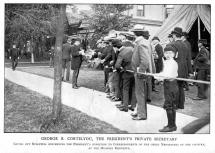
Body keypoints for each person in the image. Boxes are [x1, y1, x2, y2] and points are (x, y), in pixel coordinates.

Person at [154, 45, 179, 132]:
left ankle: (171, 126)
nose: (168, 54)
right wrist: (159, 75)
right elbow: (164, 73)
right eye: (166, 53)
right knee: (171, 105)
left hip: (171, 84)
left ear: (174, 54)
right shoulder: (167, 62)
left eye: (170, 53)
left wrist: (157, 77)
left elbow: (167, 75)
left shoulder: (172, 63)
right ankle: (171, 125)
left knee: (169, 105)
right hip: (168, 84)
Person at [166, 27, 191, 109]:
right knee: (180, 87)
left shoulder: (173, 44)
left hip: (175, 70)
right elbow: (187, 59)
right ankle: (181, 105)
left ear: (174, 35)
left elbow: (170, 58)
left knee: (174, 88)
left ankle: (175, 105)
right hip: (183, 70)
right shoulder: (186, 44)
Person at [130, 24, 151, 120]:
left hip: (140, 72)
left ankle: (141, 114)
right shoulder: (141, 42)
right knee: (139, 93)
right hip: (139, 71)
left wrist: (140, 71)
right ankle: (139, 112)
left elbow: (145, 60)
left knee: (140, 94)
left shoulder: (141, 43)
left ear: (135, 33)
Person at [114, 39, 136, 112]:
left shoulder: (121, 53)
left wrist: (122, 68)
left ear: (116, 47)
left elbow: (117, 66)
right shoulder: (131, 48)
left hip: (126, 72)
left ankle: (125, 106)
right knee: (133, 88)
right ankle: (133, 106)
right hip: (135, 71)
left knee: (125, 89)